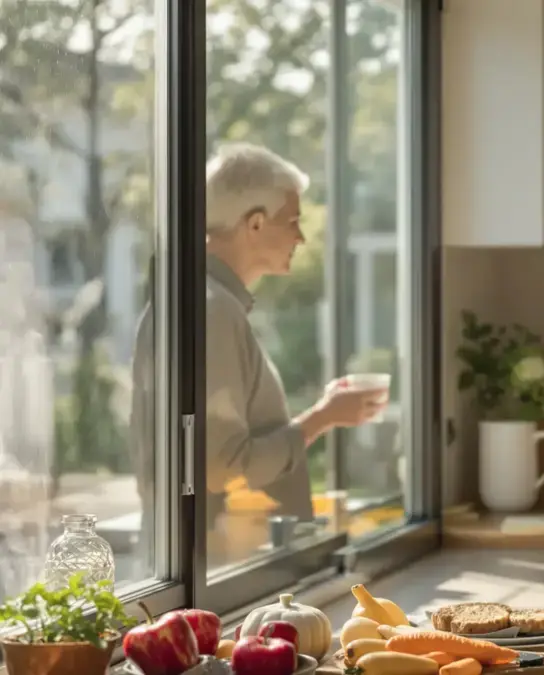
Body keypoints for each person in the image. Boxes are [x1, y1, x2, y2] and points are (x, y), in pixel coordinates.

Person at [131, 143, 386, 563]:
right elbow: (223, 469)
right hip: (219, 571)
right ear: (254, 224)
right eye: (293, 221)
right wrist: (323, 417)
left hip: (223, 565)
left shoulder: (205, 303)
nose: (301, 237)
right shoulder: (210, 311)